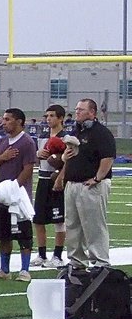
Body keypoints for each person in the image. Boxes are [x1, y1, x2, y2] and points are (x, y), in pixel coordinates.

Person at [57, 98, 116, 268]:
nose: (77, 112)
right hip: (73, 183)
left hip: (91, 185)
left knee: (94, 225)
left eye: (81, 110)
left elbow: (107, 158)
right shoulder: (76, 132)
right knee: (72, 224)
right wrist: (63, 163)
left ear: (92, 112)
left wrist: (97, 178)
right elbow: (69, 156)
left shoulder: (101, 132)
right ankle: (77, 261)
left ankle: (100, 262)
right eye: (76, 109)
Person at [0, 108, 37, 281]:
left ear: (19, 121)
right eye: (3, 119)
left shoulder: (27, 142)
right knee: (4, 234)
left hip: (19, 198)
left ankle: (24, 270)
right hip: (2, 198)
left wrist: (14, 189)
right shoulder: (1, 143)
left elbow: (28, 168)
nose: (4, 122)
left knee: (23, 235)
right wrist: (2, 158)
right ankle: (4, 270)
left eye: (8, 119)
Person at [33, 104, 68, 267]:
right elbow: (37, 157)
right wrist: (38, 154)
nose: (48, 119)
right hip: (42, 178)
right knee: (38, 219)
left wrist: (61, 176)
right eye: (47, 116)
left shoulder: (66, 137)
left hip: (56, 180)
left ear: (61, 118)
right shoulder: (43, 135)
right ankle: (41, 254)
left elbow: (69, 160)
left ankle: (57, 255)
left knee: (59, 219)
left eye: (52, 116)